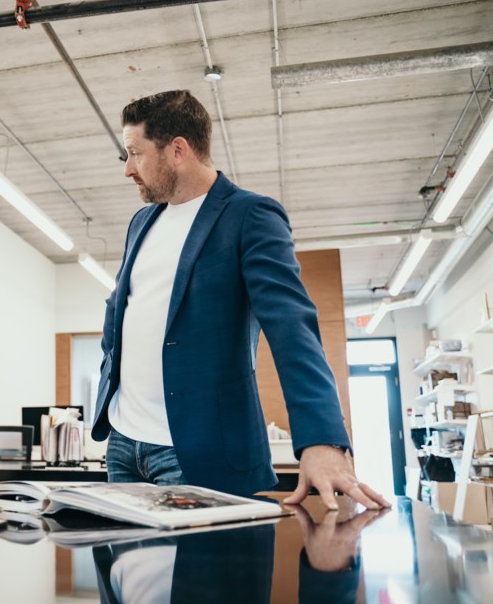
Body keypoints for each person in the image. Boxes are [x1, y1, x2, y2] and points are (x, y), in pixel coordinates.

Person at [91, 90, 390, 511]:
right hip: (124, 445)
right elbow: (120, 310)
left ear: (177, 149)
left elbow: (291, 326)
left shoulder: (250, 216)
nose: (127, 170)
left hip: (197, 449)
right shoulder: (142, 221)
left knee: (212, 576)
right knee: (125, 575)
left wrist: (322, 439)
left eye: (135, 153)